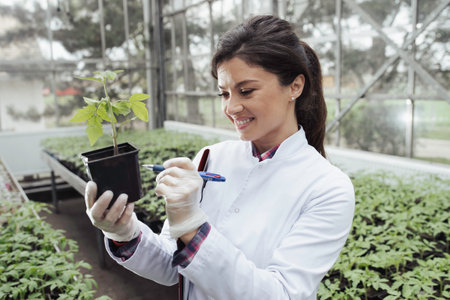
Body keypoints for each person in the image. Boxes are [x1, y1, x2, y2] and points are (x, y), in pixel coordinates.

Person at [84, 15, 355, 299]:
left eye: (246, 91)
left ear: (295, 87)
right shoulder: (210, 158)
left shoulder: (327, 188)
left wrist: (192, 226)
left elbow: (281, 293)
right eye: (224, 94)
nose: (232, 107)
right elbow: (171, 266)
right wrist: (124, 231)